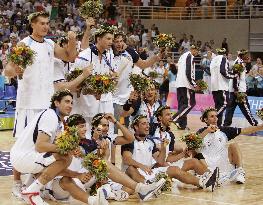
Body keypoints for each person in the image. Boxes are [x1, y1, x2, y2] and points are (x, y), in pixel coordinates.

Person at [3, 11, 78, 198]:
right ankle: (17, 183)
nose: (46, 26)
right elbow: (8, 70)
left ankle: (34, 185)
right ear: (33, 25)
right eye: (42, 23)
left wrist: (72, 40)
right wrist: (15, 69)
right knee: (21, 143)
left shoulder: (50, 44)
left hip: (46, 103)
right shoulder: (23, 45)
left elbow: (69, 57)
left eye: (47, 23)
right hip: (28, 103)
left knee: (45, 145)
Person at [40, 113, 166, 203]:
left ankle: (141, 189)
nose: (84, 129)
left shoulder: (88, 143)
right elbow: (49, 169)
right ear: (70, 129)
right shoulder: (60, 143)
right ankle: (96, 200)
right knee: (67, 180)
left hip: (83, 181)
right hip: (60, 186)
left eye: (85, 126)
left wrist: (103, 154)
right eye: (80, 126)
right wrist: (77, 175)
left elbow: (100, 161)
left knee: (102, 164)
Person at [10, 90, 95, 205]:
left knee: (62, 157)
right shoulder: (51, 116)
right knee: (65, 157)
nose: (70, 105)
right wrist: (67, 149)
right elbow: (40, 146)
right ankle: (32, 191)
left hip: (22, 156)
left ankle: (30, 188)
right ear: (56, 103)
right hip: (24, 157)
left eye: (71, 103)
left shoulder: (55, 119)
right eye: (66, 102)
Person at [121, 115, 219, 192]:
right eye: (143, 124)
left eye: (147, 124)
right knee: (131, 170)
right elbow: (127, 159)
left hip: (150, 172)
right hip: (136, 174)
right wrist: (142, 166)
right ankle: (146, 187)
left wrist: (163, 148)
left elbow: (160, 160)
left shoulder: (150, 141)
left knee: (174, 169)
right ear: (135, 127)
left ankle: (204, 182)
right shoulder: (129, 141)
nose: (147, 126)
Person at [197, 107, 263, 185]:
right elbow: (194, 144)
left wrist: (261, 127)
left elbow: (245, 130)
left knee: (233, 145)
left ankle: (239, 172)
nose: (215, 118)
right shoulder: (201, 132)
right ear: (205, 120)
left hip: (222, 163)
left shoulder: (224, 130)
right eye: (212, 116)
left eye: (216, 116)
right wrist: (207, 131)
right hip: (207, 164)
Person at [223, 49, 258, 127]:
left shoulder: (240, 62)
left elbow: (245, 72)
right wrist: (236, 89)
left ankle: (226, 125)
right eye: (246, 55)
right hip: (239, 90)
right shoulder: (238, 63)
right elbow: (236, 77)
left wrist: (248, 63)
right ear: (242, 55)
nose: (248, 56)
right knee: (245, 108)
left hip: (234, 90)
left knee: (230, 108)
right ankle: (254, 123)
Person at [172, 45, 200, 130]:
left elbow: (177, 69)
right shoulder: (190, 56)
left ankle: (182, 125)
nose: (197, 53)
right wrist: (194, 84)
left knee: (182, 105)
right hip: (186, 84)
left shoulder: (182, 57)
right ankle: (175, 118)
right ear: (193, 49)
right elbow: (189, 71)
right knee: (190, 104)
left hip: (179, 83)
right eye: (196, 51)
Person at [210, 48, 237, 126]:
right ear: (225, 54)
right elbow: (223, 71)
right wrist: (233, 75)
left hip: (214, 86)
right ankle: (211, 117)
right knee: (225, 104)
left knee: (218, 105)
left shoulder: (213, 59)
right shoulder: (223, 58)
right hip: (221, 86)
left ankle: (217, 125)